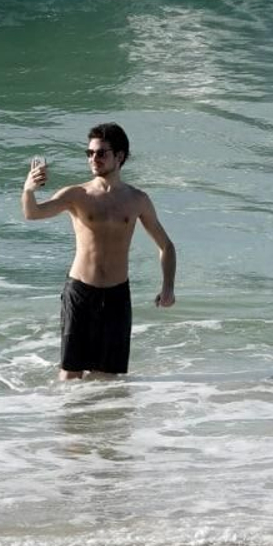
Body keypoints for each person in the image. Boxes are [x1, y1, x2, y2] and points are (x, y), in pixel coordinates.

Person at [21, 122, 177, 380]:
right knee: (71, 373)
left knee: (108, 378)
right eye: (90, 153)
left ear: (120, 157)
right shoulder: (76, 194)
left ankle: (103, 421)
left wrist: (168, 287)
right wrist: (28, 189)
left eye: (101, 153)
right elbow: (32, 213)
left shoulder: (137, 200)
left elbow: (166, 246)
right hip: (80, 291)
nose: (94, 158)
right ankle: (68, 420)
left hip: (117, 295)